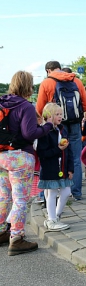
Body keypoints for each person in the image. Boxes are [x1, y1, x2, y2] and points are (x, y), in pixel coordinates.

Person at [0, 71, 53, 255]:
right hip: (20, 157)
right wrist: (48, 126)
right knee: (20, 199)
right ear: (28, 86)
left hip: (1, 156)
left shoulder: (2, 102)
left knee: (4, 196)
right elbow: (30, 133)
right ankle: (17, 237)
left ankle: (1, 232)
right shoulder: (25, 106)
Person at [37, 61, 86, 201]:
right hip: (75, 123)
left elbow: (40, 107)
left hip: (55, 126)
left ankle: (46, 194)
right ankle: (76, 192)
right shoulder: (76, 80)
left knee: (52, 157)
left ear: (48, 70)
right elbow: (85, 103)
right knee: (76, 158)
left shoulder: (47, 83)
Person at [37, 103, 73, 231]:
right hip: (50, 168)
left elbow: (69, 150)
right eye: (57, 114)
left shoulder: (62, 129)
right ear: (48, 116)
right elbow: (42, 153)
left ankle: (55, 216)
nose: (60, 117)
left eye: (61, 114)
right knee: (51, 193)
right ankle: (51, 219)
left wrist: (70, 168)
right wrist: (58, 149)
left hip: (62, 168)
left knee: (66, 192)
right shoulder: (44, 132)